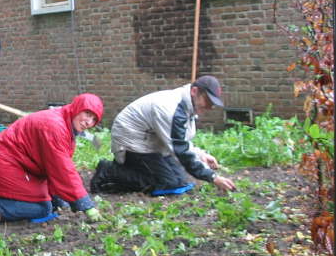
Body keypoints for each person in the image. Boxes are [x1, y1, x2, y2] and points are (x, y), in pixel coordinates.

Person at [0, 93, 104, 232]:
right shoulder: (56, 127)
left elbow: (51, 167)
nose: (88, 122)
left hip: (7, 161)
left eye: (93, 120)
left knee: (45, 199)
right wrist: (85, 204)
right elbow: (63, 171)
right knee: (42, 207)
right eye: (87, 114)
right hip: (2, 163)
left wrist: (59, 199)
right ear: (77, 108)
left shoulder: (64, 123)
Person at [89, 75, 236, 195]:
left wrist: (199, 154)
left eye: (213, 103)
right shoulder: (171, 109)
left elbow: (180, 140)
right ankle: (109, 171)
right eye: (208, 101)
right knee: (166, 183)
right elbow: (180, 151)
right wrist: (213, 178)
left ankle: (134, 168)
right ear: (194, 91)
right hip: (132, 142)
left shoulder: (187, 106)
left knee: (181, 180)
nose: (210, 107)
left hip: (151, 141)